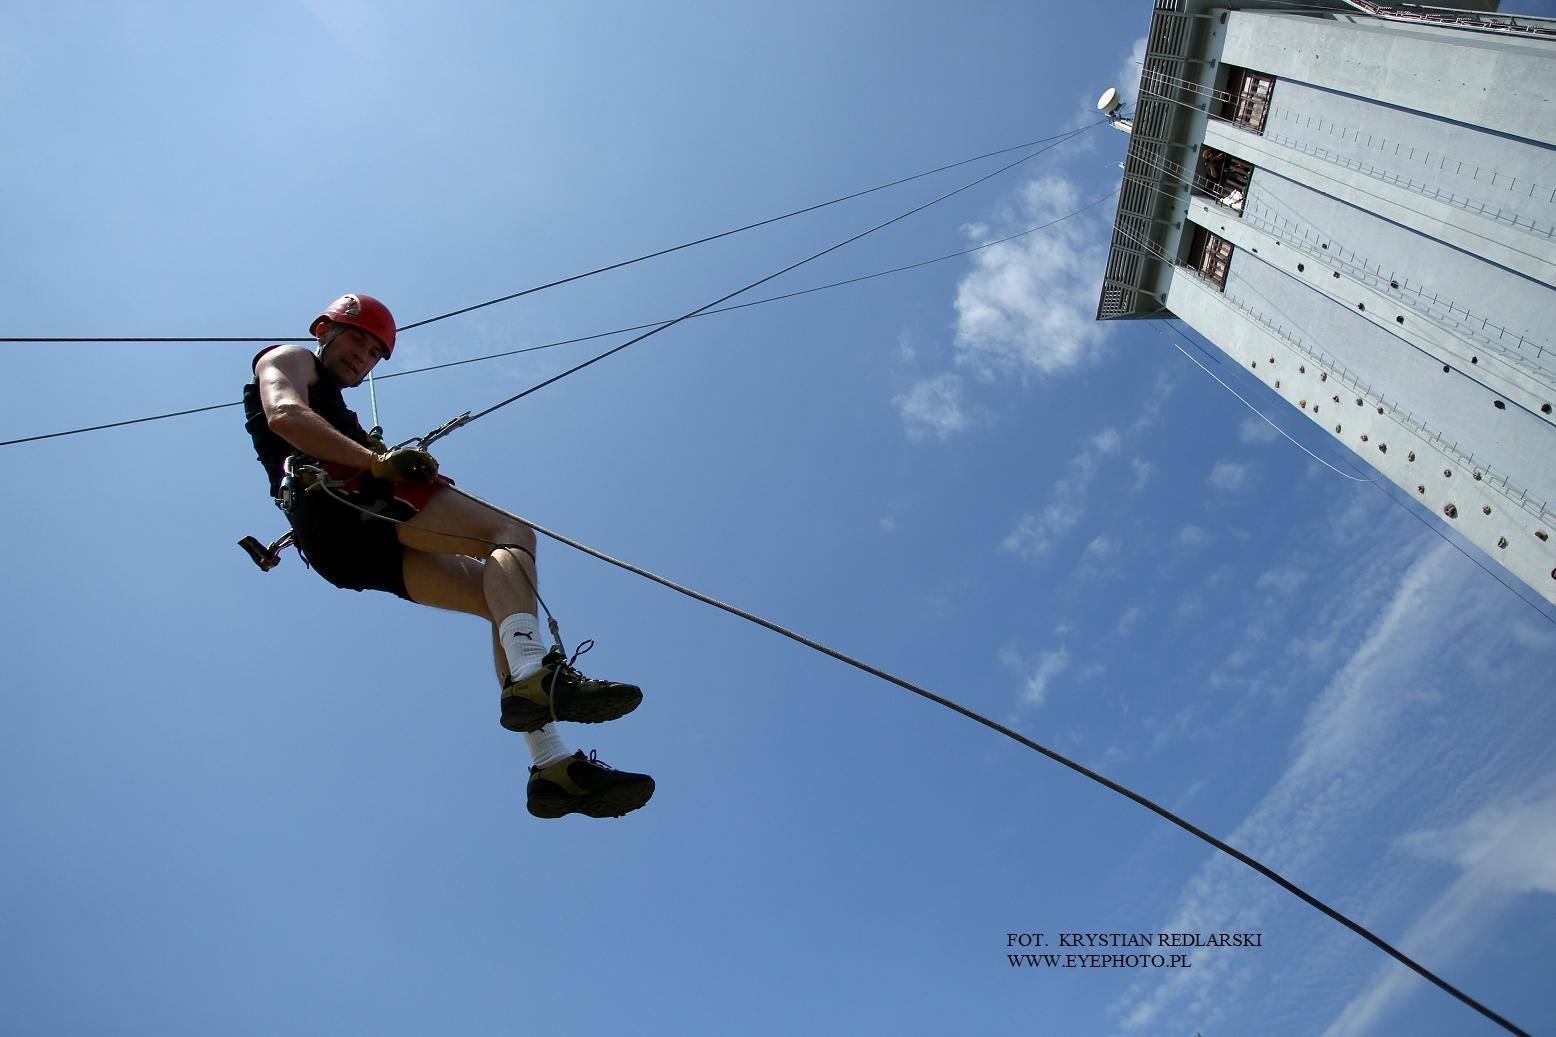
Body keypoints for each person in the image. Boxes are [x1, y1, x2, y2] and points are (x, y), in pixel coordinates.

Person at [242, 292, 654, 820]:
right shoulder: (289, 358)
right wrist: (378, 462)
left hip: (341, 546)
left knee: (498, 593)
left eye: (373, 353)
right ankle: (532, 673)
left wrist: (374, 455)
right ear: (324, 329)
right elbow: (284, 414)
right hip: (345, 502)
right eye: (355, 340)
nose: (361, 356)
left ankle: (552, 766)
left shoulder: (340, 410)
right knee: (509, 534)